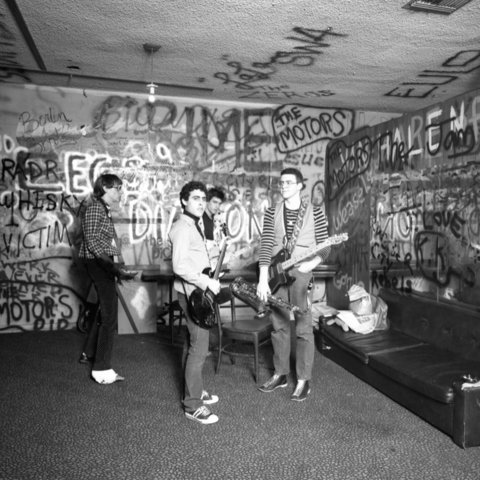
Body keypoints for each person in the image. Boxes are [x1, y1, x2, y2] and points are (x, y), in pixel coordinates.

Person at [256, 168, 330, 401]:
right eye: (281, 183)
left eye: (289, 182)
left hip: (301, 275)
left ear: (300, 186)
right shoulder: (272, 212)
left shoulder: (315, 212)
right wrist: (262, 277)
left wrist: (313, 263)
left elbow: (326, 245)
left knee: (304, 328)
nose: (284, 186)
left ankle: (303, 380)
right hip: (276, 274)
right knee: (278, 326)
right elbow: (266, 244)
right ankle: (280, 374)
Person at [169, 180, 230, 425]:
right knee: (200, 348)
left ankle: (193, 387)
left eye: (203, 199)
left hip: (195, 291)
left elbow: (196, 259)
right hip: (193, 294)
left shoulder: (195, 226)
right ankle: (192, 404)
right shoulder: (183, 228)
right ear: (184, 200)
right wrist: (206, 282)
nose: (201, 203)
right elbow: (179, 265)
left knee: (191, 343)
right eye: (196, 198)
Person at [78, 173, 135, 385]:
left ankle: (89, 353)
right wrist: (112, 266)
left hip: (103, 262)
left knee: (104, 310)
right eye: (118, 188)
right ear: (105, 188)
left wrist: (117, 262)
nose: (121, 192)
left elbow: (102, 240)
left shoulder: (103, 209)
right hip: (97, 263)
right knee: (110, 316)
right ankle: (101, 369)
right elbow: (91, 241)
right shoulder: (95, 208)